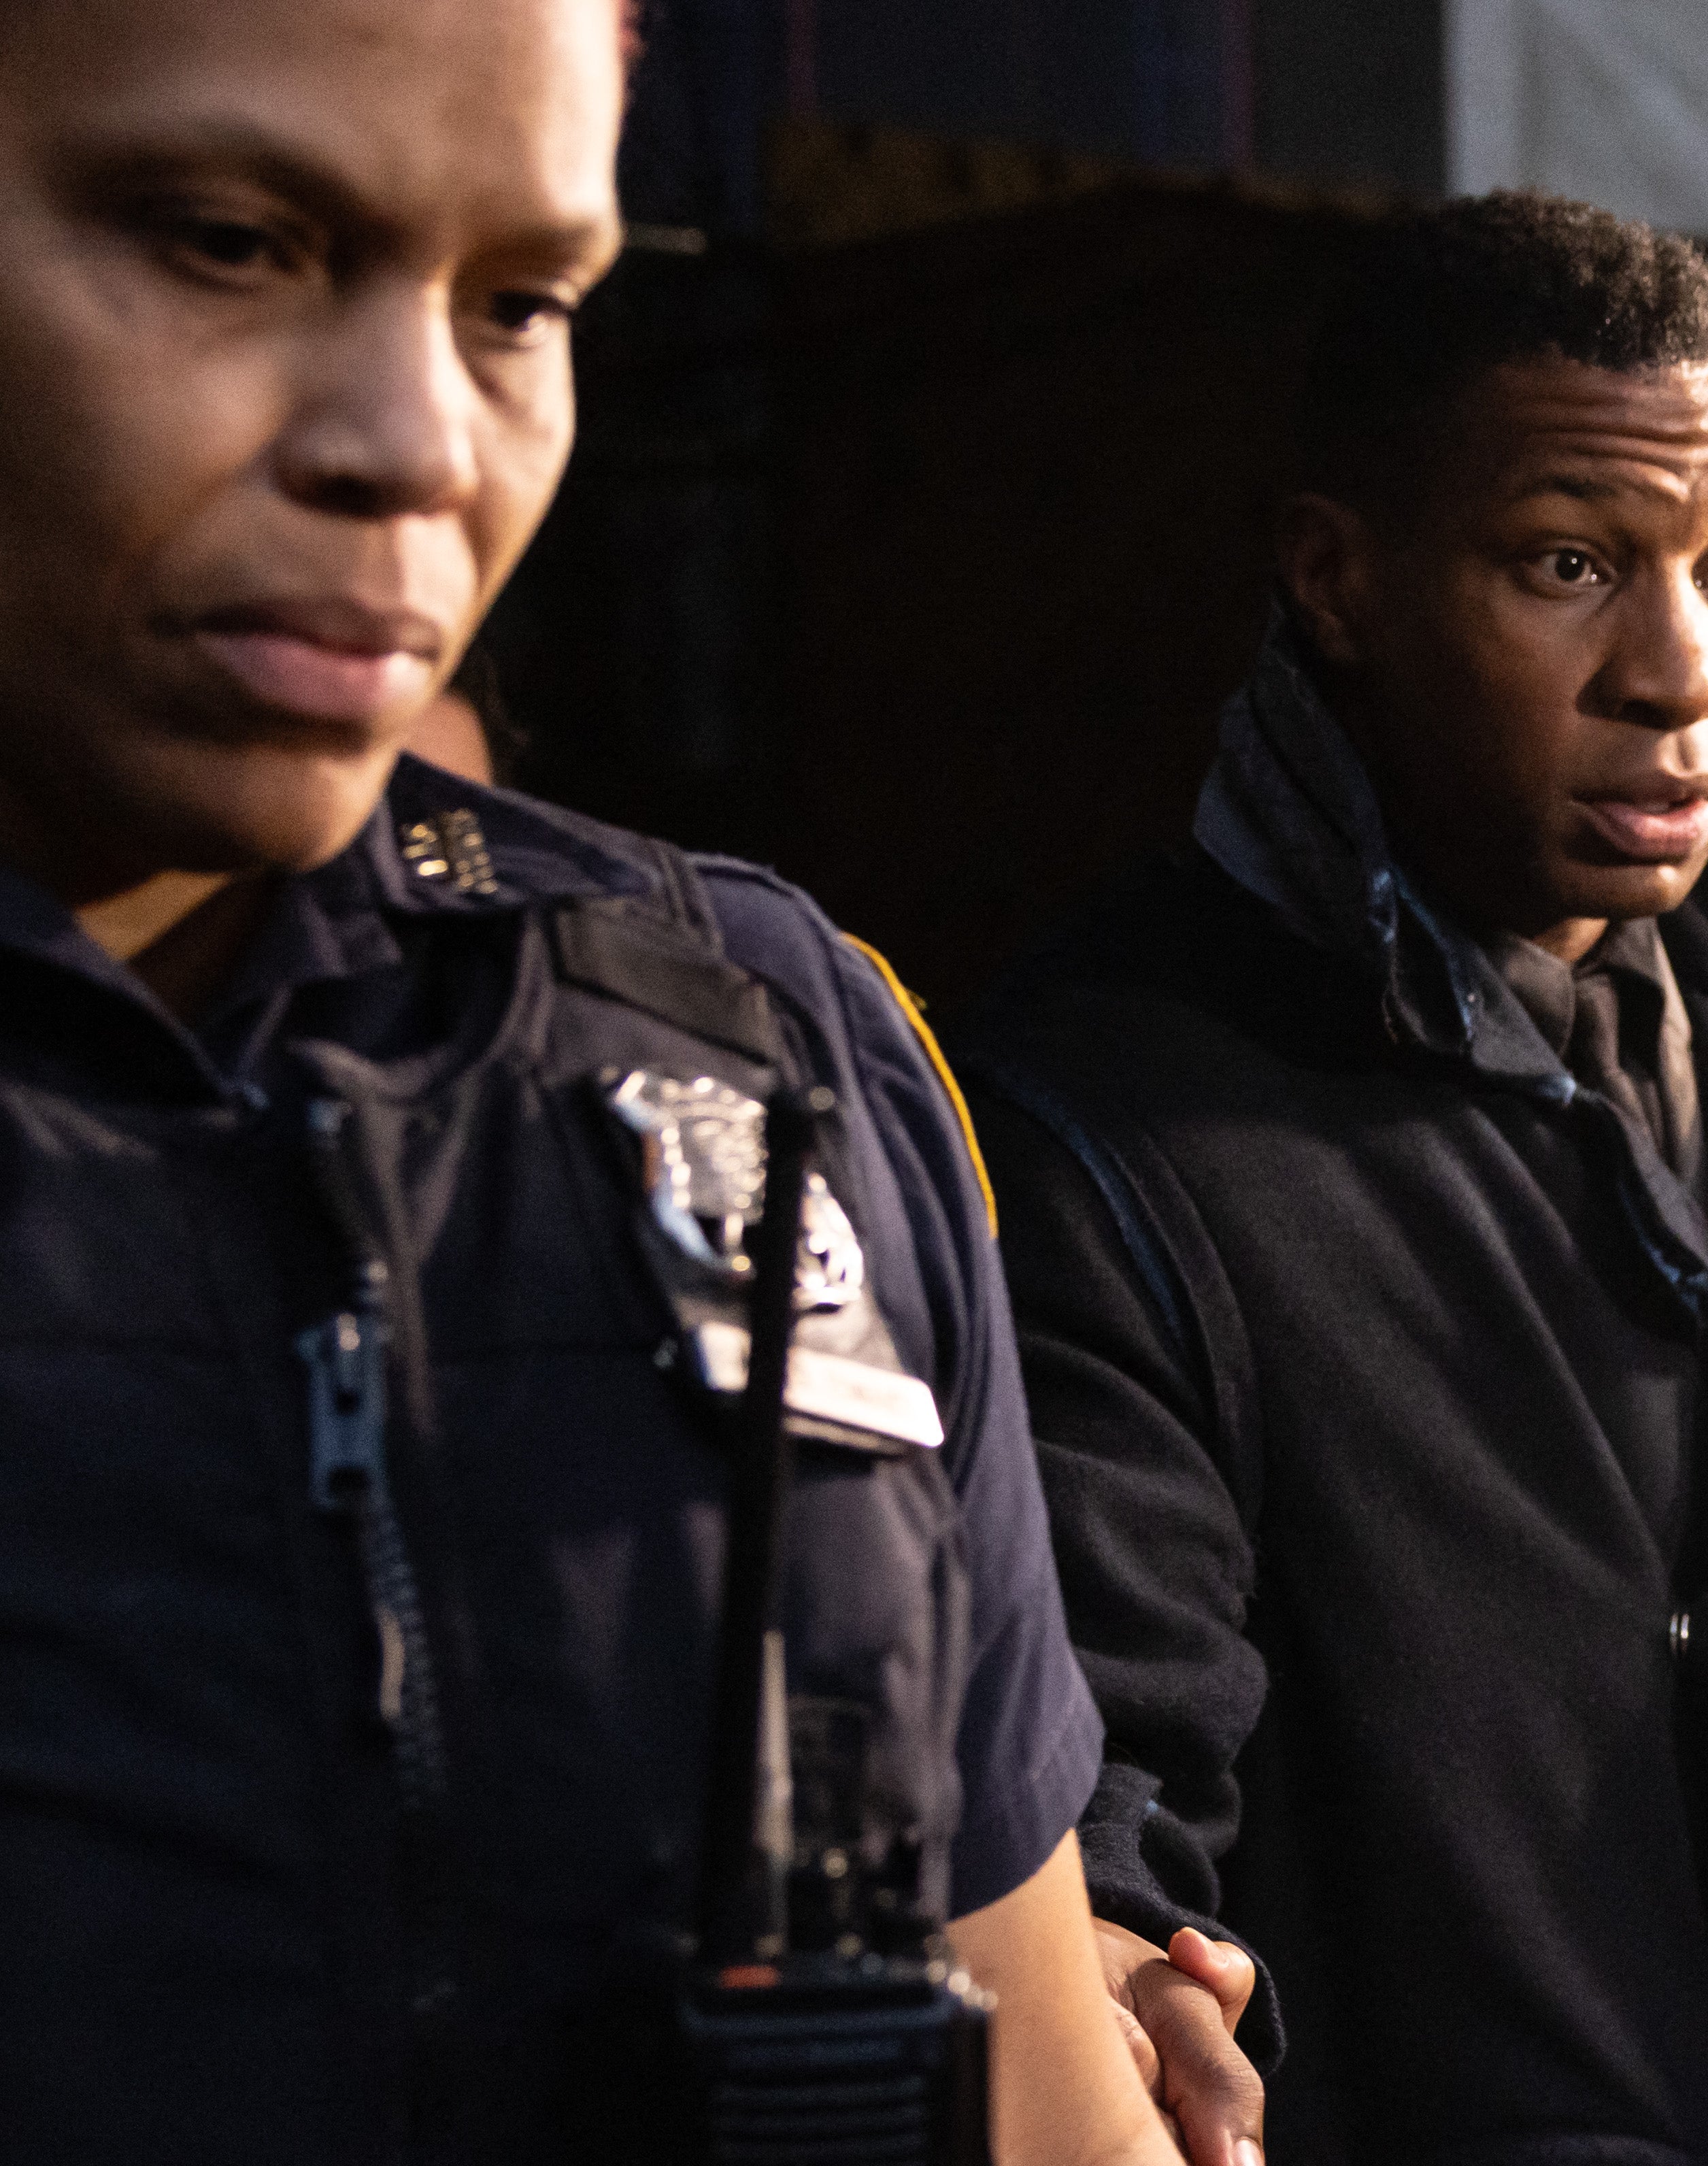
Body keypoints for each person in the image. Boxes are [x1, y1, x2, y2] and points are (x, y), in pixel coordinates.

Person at [0, 4, 1182, 2159]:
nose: (419, 441)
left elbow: (1038, 2089)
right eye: (228, 241)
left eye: (521, 302)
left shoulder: (760, 1037)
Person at [954, 192, 1708, 2166]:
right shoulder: (1108, 1125)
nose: (1681, 670)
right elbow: (1083, 1769)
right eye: (1567, 563)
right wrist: (1126, 1968)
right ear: (1337, 579)